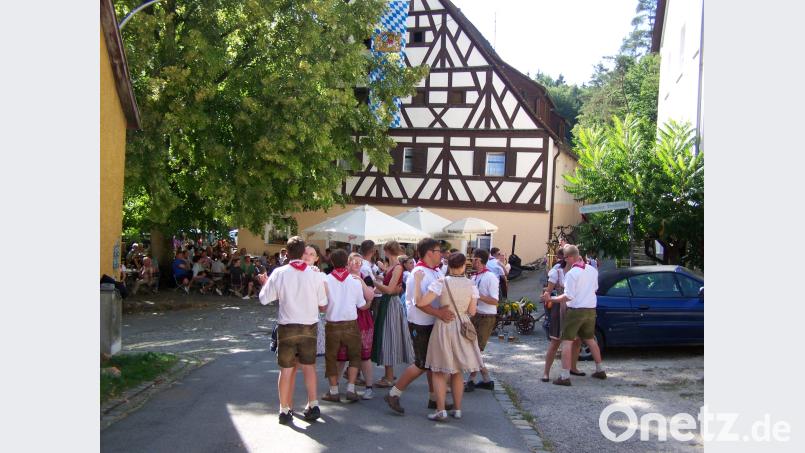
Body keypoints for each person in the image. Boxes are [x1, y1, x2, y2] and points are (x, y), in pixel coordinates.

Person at [258, 236, 327, 424]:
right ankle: (313, 404)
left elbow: (264, 299)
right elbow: (323, 303)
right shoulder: (315, 274)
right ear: (303, 251)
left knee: (286, 370)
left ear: (286, 253)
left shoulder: (280, 272)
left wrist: (265, 283)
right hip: (309, 326)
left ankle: (284, 409)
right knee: (309, 367)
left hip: (287, 326)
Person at [384, 238, 456, 415]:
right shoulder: (420, 272)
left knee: (432, 363)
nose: (442, 254)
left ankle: (434, 399)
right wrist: (440, 314)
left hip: (432, 323)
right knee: (422, 363)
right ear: (430, 253)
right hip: (420, 323)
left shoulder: (436, 271)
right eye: (439, 251)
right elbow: (419, 303)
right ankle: (394, 393)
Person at [417, 252, 484, 421]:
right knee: (458, 371)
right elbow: (472, 311)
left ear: (448, 266)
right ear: (463, 266)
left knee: (439, 371)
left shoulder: (441, 282)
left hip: (444, 326)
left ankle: (441, 410)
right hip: (462, 326)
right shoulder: (471, 285)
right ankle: (458, 409)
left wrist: (418, 282)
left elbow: (421, 303)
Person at [542, 245, 606, 386]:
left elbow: (568, 296)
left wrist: (551, 299)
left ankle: (565, 376)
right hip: (590, 309)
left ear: (570, 257)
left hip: (576, 310)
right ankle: (600, 369)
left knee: (567, 342)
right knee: (590, 339)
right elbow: (595, 288)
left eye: (565, 257)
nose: (564, 260)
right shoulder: (592, 270)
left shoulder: (572, 273)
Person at [320, 250, 372, 403]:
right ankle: (351, 388)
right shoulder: (354, 281)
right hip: (351, 324)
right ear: (347, 263)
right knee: (355, 356)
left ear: (332, 262)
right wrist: (370, 302)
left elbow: (322, 306)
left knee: (331, 358)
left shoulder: (326, 280)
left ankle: (334, 391)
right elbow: (361, 305)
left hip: (333, 324)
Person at [371, 241, 415, 388]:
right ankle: (388, 374)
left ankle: (389, 377)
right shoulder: (392, 267)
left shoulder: (397, 267)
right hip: (388, 302)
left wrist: (374, 282)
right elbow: (390, 287)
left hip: (391, 304)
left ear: (388, 251)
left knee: (388, 337)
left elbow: (390, 290)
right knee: (386, 337)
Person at [540, 247, 583, 382]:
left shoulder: (580, 271)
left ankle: (573, 368)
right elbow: (548, 291)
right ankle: (546, 372)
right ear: (567, 258)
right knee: (555, 341)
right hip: (560, 308)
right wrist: (546, 296)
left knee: (576, 340)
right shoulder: (557, 272)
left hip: (575, 307)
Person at [465, 249, 498, 392]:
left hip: (487, 316)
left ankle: (476, 379)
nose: (472, 261)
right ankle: (484, 379)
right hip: (475, 315)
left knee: (476, 349)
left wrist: (478, 296)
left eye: (474, 259)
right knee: (472, 348)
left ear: (480, 260)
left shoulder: (490, 277)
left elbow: (495, 301)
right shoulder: (474, 277)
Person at [303, 245, 327, 357]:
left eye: (311, 254)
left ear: (316, 258)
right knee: (290, 365)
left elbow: (323, 305)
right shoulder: (290, 271)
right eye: (305, 253)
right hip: (291, 322)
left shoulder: (321, 276)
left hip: (311, 321)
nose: (307, 256)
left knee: (309, 364)